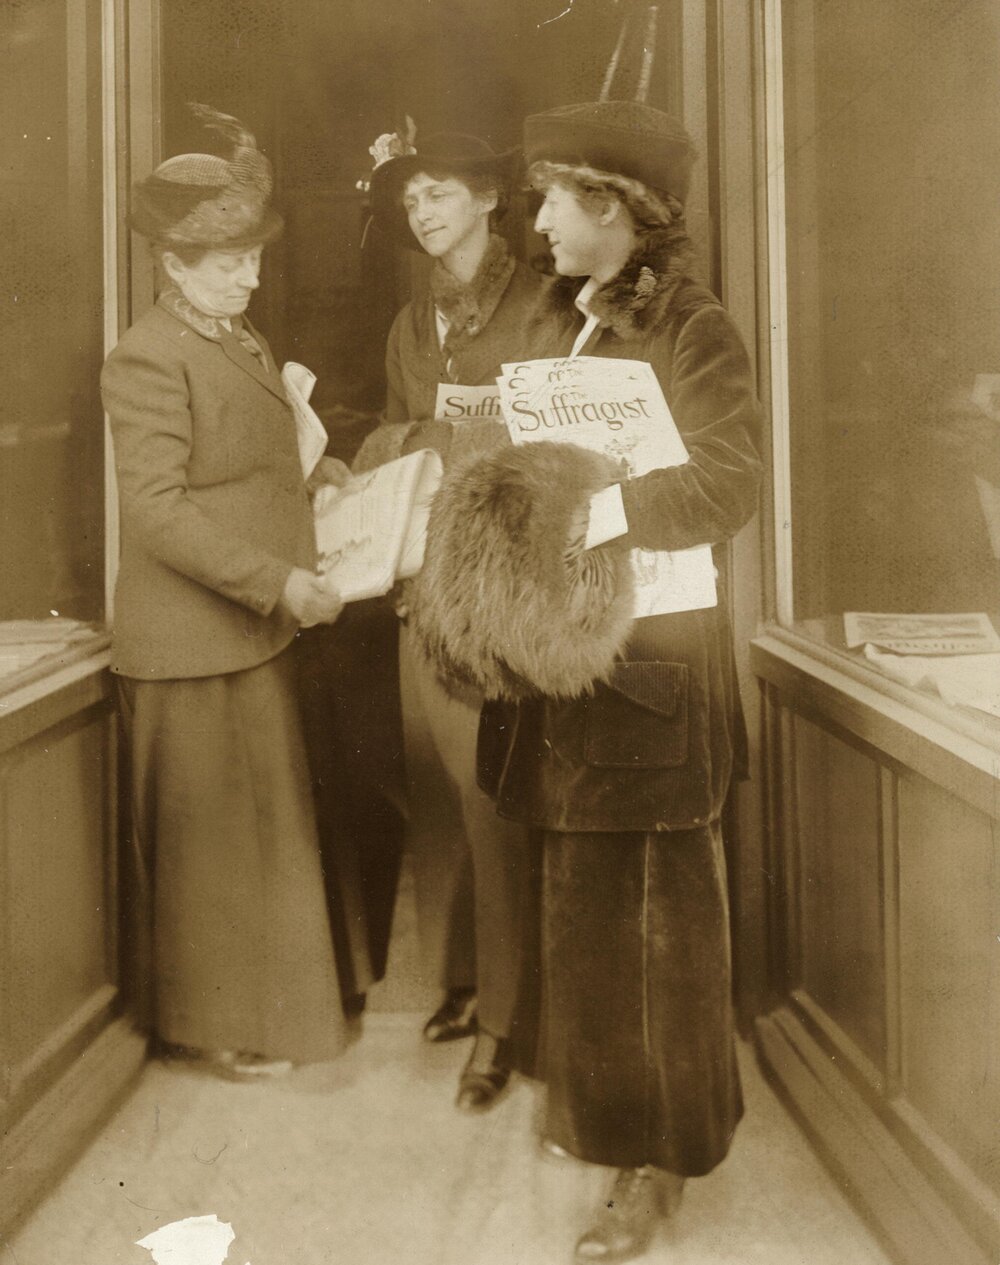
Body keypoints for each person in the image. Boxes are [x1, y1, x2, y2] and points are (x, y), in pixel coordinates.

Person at [408, 101, 761, 1261]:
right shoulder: (571, 321)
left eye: (558, 199)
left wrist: (591, 507)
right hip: (569, 672)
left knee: (654, 930)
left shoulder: (691, 326)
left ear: (616, 210)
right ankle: (616, 1129)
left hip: (653, 665)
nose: (539, 220)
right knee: (591, 923)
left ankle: (651, 1164)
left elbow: (727, 482)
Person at [102, 105, 347, 1077]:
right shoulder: (147, 355)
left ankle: (255, 1016)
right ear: (172, 262)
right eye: (224, 262)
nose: (248, 275)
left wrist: (319, 481)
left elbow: (252, 459)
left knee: (254, 839)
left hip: (243, 631)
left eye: (248, 256)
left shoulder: (234, 336)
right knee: (215, 850)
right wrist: (277, 579)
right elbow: (156, 513)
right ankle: (213, 1025)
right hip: (193, 640)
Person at [353, 129, 543, 1110]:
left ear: (483, 197)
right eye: (409, 202)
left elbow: (567, 442)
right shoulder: (408, 324)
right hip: (421, 584)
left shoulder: (542, 304)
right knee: (435, 785)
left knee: (491, 798)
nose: (421, 214)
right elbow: (388, 439)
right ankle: (462, 981)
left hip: (505, 590)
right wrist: (426, 438)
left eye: (435, 193)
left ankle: (508, 1022)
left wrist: (474, 434)